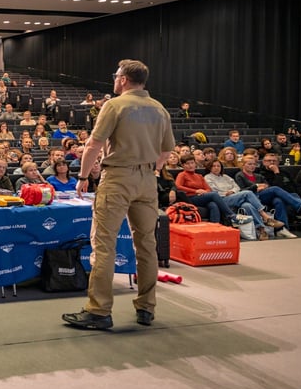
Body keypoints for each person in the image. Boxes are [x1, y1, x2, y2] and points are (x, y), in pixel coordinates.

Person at [63, 59, 175, 330]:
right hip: (147, 180)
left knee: (103, 244)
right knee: (147, 245)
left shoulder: (115, 105)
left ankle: (99, 311)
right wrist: (149, 170)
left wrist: (82, 177)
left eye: (116, 76)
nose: (114, 79)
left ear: (124, 79)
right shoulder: (159, 109)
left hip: (118, 178)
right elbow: (166, 151)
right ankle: (146, 308)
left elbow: (93, 144)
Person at [204, 159, 282, 240]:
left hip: (234, 196)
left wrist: (232, 191)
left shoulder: (226, 177)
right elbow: (213, 191)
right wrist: (226, 193)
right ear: (210, 167)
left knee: (247, 205)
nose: (216, 168)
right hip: (222, 200)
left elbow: (236, 187)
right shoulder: (207, 177)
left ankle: (261, 230)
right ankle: (265, 217)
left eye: (218, 166)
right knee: (247, 193)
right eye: (214, 166)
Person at [175, 154, 236, 224]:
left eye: (192, 163)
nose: (190, 165)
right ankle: (231, 215)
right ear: (183, 165)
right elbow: (178, 186)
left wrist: (204, 191)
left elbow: (208, 189)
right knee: (214, 195)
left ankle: (215, 226)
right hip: (190, 198)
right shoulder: (182, 174)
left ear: (195, 164)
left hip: (201, 196)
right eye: (187, 164)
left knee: (213, 204)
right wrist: (195, 191)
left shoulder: (199, 176)